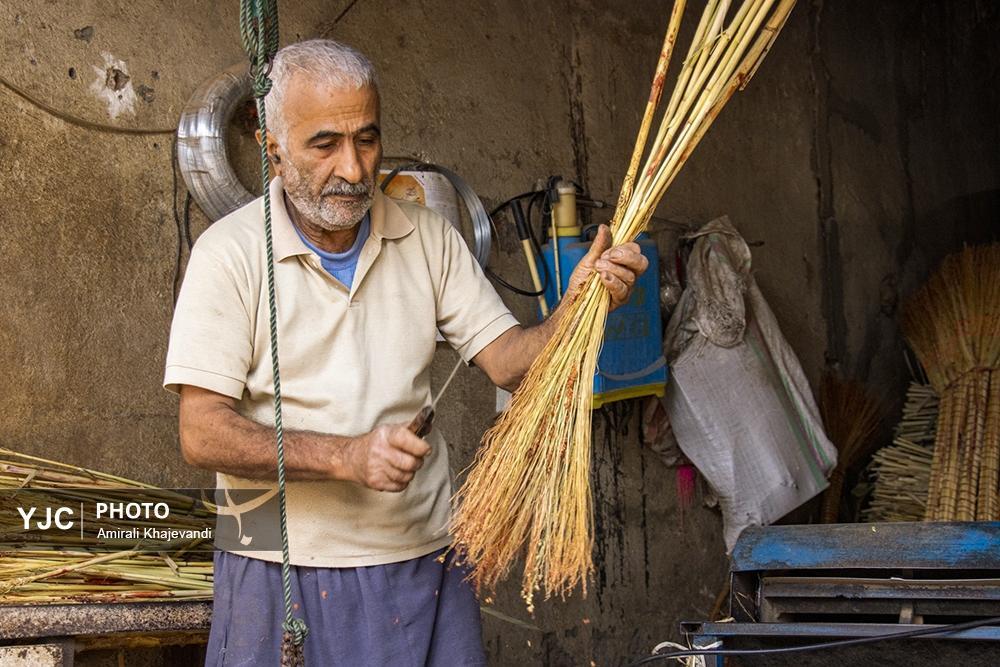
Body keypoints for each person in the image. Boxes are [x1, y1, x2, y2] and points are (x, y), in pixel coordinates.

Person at [164, 38, 648, 666]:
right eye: (325, 144)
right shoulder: (228, 256)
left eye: (367, 139)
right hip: (281, 572)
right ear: (272, 149)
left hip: (425, 562)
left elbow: (509, 361)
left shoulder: (427, 239)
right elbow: (202, 435)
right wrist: (347, 457)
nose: (354, 168)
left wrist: (577, 308)